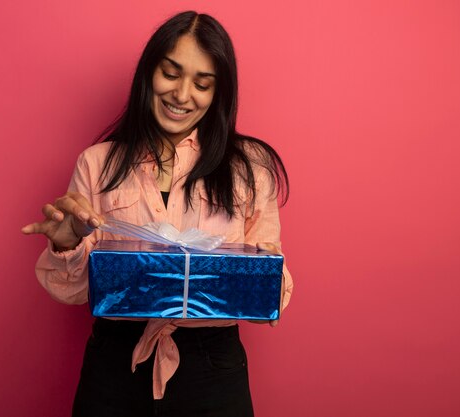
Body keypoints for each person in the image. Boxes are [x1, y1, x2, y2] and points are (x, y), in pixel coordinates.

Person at [22, 11, 293, 417]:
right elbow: (74, 291)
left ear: (219, 93)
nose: (183, 95)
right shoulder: (97, 163)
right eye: (171, 73)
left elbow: (274, 292)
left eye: (202, 84)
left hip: (213, 369)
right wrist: (69, 242)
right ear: (148, 72)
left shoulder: (250, 168)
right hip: (115, 363)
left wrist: (264, 275)